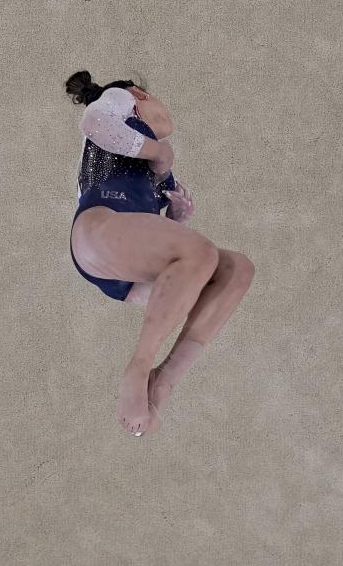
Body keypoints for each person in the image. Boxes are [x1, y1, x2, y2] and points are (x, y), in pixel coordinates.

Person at [64, 70, 256, 437]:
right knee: (199, 253)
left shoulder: (157, 175)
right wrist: (161, 153)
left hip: (123, 268)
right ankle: (138, 366)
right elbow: (94, 122)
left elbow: (172, 270)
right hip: (98, 226)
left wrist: (177, 216)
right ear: (141, 94)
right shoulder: (122, 102)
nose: (169, 120)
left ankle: (164, 380)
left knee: (236, 268)